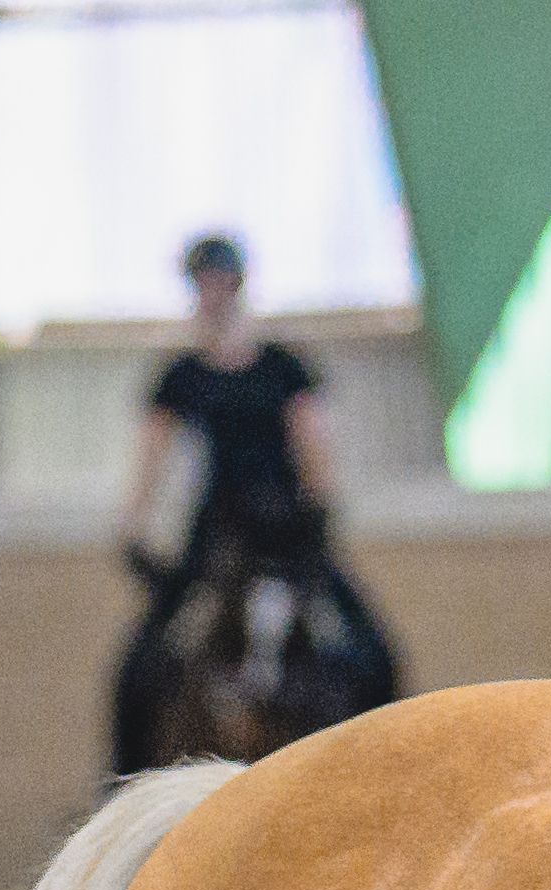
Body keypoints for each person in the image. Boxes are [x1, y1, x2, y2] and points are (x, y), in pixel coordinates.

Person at [116, 234, 397, 706]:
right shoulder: (182, 374)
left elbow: (312, 443)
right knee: (141, 664)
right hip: (217, 526)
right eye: (203, 283)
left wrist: (318, 507)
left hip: (284, 522)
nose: (212, 294)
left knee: (370, 648)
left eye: (220, 282)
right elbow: (153, 456)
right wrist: (133, 527)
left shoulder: (282, 367)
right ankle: (128, 768)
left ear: (236, 285)